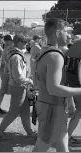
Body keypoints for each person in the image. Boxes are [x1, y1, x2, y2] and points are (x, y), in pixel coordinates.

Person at [32, 19, 81, 152]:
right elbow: (53, 88)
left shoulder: (44, 51)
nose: (69, 35)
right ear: (58, 33)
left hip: (52, 107)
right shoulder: (55, 56)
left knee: (63, 146)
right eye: (66, 32)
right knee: (41, 147)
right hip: (52, 109)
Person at [0, 34, 36, 139]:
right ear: (20, 42)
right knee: (13, 112)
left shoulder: (12, 53)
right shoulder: (16, 56)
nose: (26, 45)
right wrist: (30, 80)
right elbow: (18, 77)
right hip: (18, 86)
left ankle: (30, 132)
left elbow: (7, 70)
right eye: (25, 42)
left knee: (25, 110)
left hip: (19, 86)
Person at [65, 40, 81, 145]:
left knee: (79, 111)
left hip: (73, 81)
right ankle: (67, 136)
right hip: (78, 83)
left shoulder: (77, 44)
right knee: (79, 111)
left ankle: (67, 135)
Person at [0, 34, 14, 114]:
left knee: (4, 90)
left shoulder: (6, 47)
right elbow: (5, 61)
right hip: (7, 72)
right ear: (9, 40)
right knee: (11, 90)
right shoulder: (8, 48)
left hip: (5, 71)